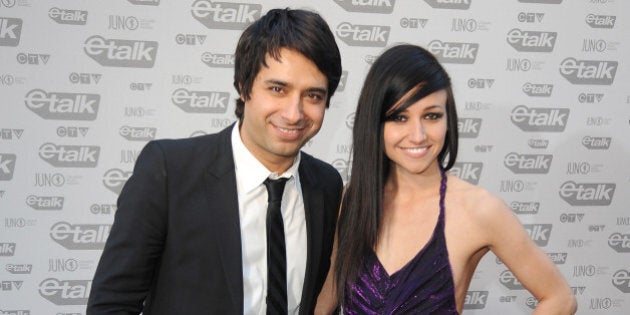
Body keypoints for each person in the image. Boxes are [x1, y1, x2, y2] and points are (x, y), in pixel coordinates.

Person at [87, 8, 343, 315]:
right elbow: (113, 304)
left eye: (313, 96)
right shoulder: (170, 171)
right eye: (277, 89)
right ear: (244, 85)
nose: (294, 113)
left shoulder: (326, 185)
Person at [315, 44, 576, 314]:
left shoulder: (478, 210)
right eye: (399, 117)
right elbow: (326, 302)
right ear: (375, 124)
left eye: (431, 116)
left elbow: (559, 298)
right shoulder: (355, 199)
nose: (418, 135)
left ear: (447, 118)